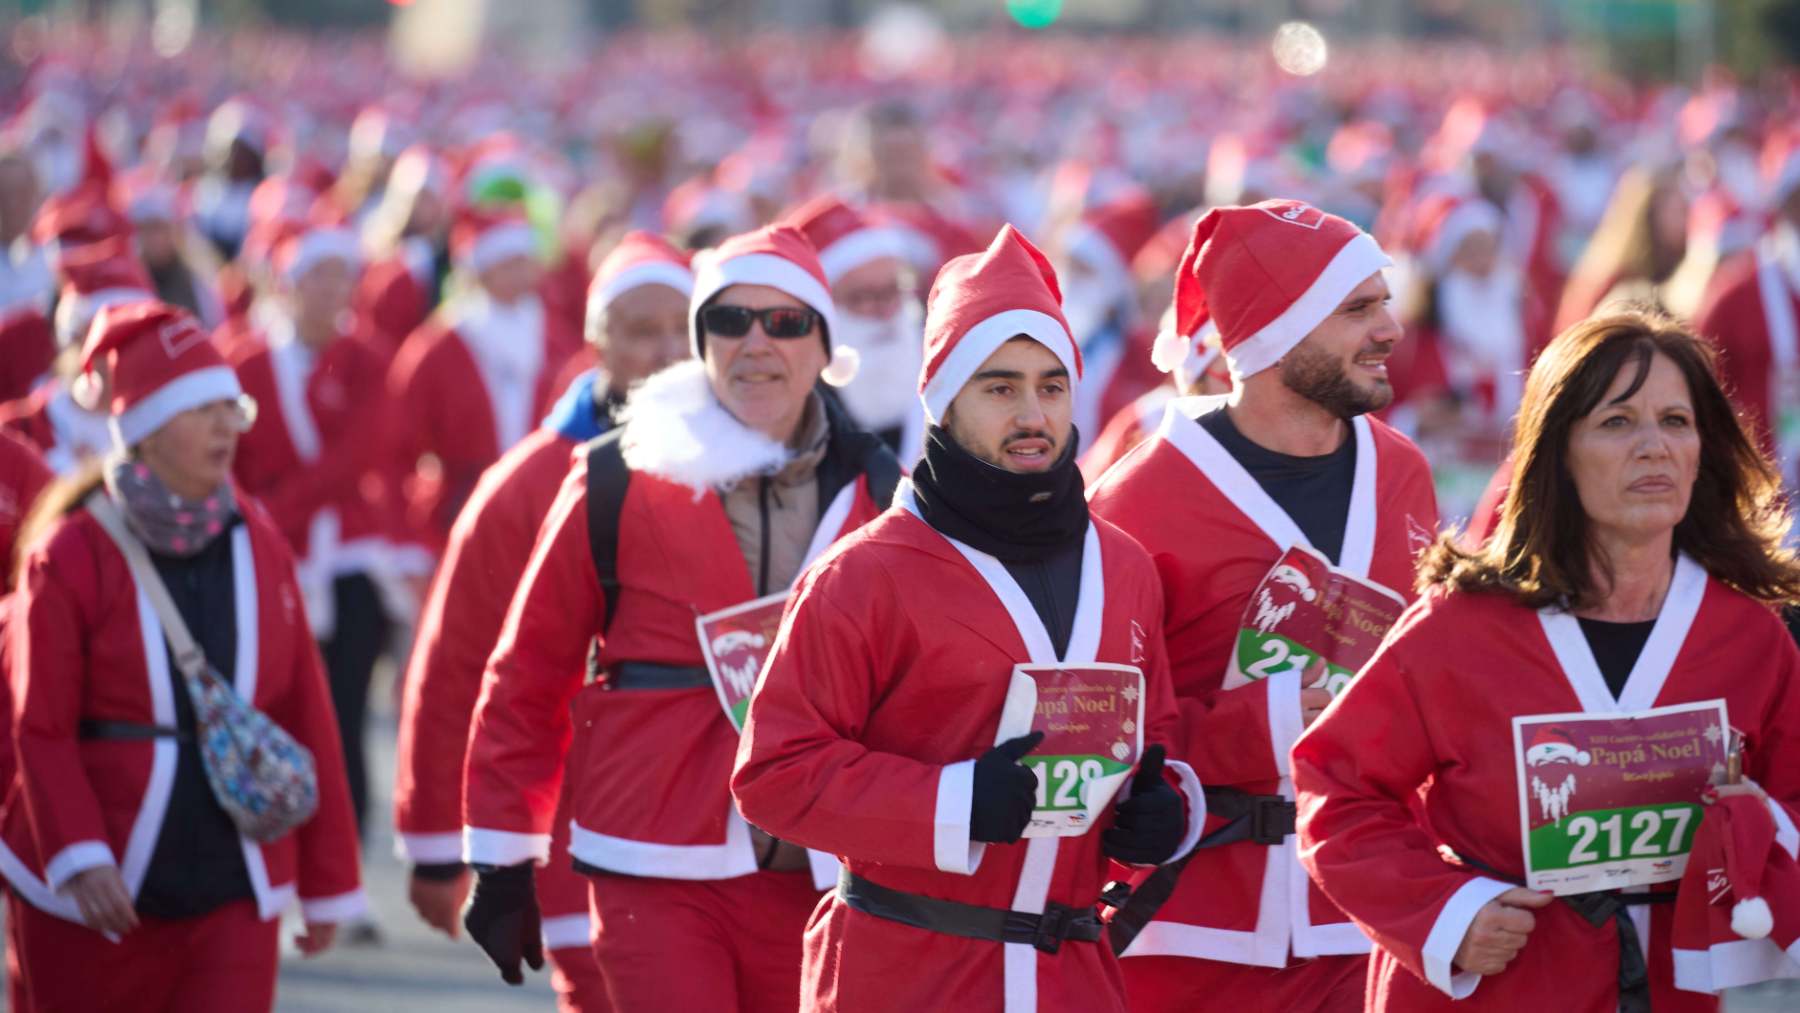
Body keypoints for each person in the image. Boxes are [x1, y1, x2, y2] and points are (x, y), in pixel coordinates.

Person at [729, 224, 1206, 1012]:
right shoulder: (864, 572)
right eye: (1000, 386)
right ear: (944, 401)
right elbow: (774, 774)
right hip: (906, 972)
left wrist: (1162, 811)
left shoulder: (1123, 565)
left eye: (1052, 386)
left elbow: (1154, 736)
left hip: (1073, 976)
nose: (1033, 412)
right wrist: (951, 801)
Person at [1293, 310, 1800, 1010]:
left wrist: (1756, 832)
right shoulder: (1460, 629)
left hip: (1669, 987)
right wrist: (1447, 912)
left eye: (1676, 421)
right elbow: (1335, 787)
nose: (1654, 446)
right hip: (1494, 986)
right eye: (1618, 422)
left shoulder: (1750, 635)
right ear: (1557, 452)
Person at [459, 224, 899, 1009]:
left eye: (787, 321)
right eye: (731, 320)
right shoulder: (614, 477)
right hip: (651, 855)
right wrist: (501, 856)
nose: (757, 343)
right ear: (702, 341)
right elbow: (528, 672)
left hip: (823, 866)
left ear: (824, 342)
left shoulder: (882, 489)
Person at [1087, 200, 1440, 1013]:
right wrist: (1271, 722)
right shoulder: (1137, 497)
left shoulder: (1402, 472)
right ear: (1276, 333)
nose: (1390, 329)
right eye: (1357, 309)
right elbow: (1101, 725)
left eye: (1383, 302)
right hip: (1191, 930)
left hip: (1369, 919)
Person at [3, 302, 364, 1012]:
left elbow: (302, 710)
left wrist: (328, 879)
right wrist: (80, 853)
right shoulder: (69, 551)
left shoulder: (259, 541)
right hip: (96, 887)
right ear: (145, 427)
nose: (227, 426)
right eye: (203, 410)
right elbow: (36, 725)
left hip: (234, 876)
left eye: (232, 407)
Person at [394, 231, 693, 1013]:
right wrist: (438, 840)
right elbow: (455, 665)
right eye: (640, 331)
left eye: (680, 329)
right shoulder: (528, 482)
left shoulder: (751, 465)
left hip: (717, 825)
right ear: (595, 342)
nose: (665, 351)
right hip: (576, 823)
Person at [228, 223, 397, 875]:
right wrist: (260, 517)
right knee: (273, 709)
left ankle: (343, 865)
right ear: (284, 283)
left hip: (349, 558)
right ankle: (274, 858)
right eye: (316, 276)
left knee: (344, 711)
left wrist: (275, 507)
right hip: (270, 560)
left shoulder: (369, 358)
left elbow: (361, 455)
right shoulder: (243, 360)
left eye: (340, 276)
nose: (330, 291)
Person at [387, 204, 580, 553]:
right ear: (481, 269)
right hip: (458, 514)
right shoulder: (439, 344)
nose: (521, 272)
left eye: (525, 261)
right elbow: (396, 446)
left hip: (542, 513)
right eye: (508, 263)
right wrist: (408, 540)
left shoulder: (554, 338)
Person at [787, 194, 927, 462]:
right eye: (863, 296)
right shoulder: (795, 413)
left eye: (894, 290)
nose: (886, 311)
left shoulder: (950, 379)